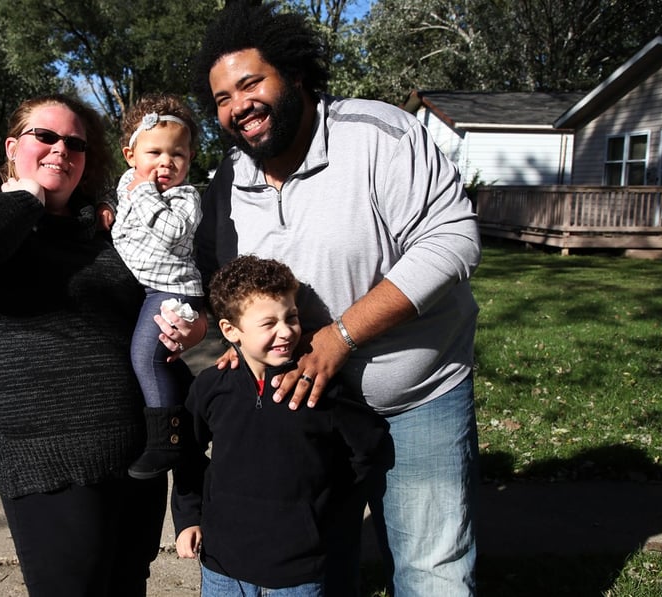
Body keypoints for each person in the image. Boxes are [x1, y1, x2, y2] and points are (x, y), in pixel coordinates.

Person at [156, 3, 484, 596]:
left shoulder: (379, 136)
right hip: (301, 412)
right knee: (317, 564)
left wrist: (342, 335)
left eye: (251, 83)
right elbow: (224, 283)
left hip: (414, 396)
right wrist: (239, 345)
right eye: (223, 99)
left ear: (297, 74)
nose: (238, 107)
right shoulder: (230, 180)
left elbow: (452, 242)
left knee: (431, 570)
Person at [0, 94, 198, 596]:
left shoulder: (103, 229)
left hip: (135, 458)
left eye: (76, 143)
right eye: (45, 137)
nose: (61, 150)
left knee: (127, 586)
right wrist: (27, 197)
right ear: (12, 147)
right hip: (51, 463)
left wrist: (193, 328)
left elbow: (160, 295)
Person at [172, 254, 388, 597]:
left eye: (292, 317)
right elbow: (187, 453)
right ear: (231, 331)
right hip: (222, 564)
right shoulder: (212, 387)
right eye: (268, 323)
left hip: (298, 570)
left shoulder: (319, 390)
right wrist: (188, 518)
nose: (286, 331)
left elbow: (369, 448)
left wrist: (326, 513)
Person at [105, 94, 205, 479]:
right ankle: (195, 422)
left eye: (177, 155)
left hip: (172, 288)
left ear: (190, 158)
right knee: (161, 362)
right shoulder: (127, 183)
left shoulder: (185, 197)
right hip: (145, 289)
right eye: (155, 153)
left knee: (146, 358)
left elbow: (172, 232)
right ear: (130, 155)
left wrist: (145, 194)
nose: (166, 162)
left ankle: (167, 444)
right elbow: (121, 213)